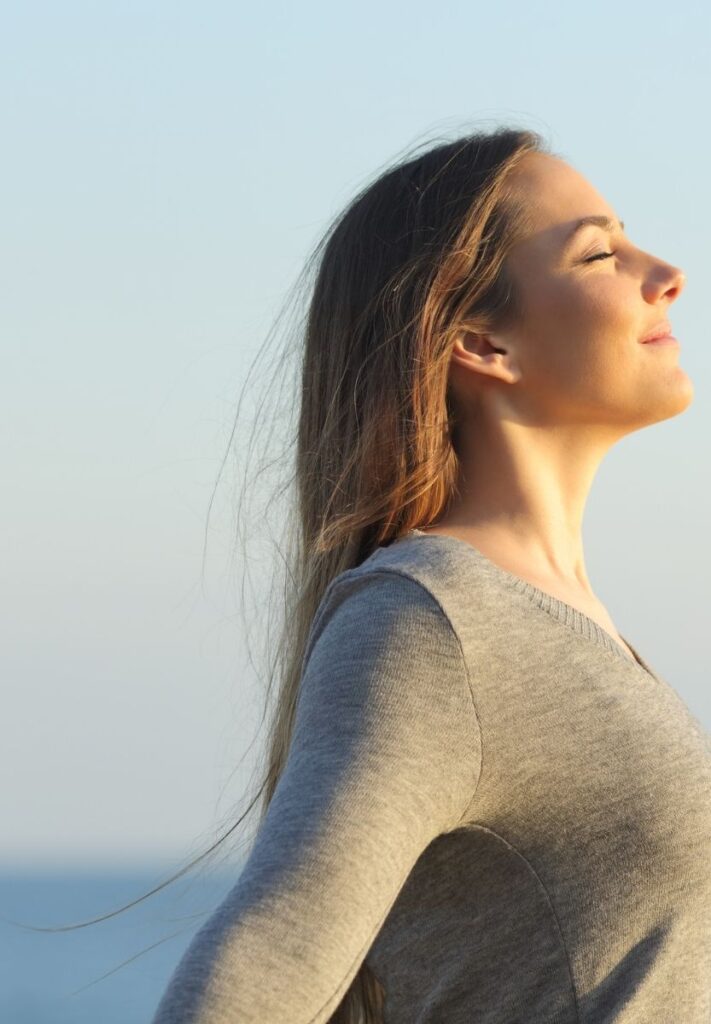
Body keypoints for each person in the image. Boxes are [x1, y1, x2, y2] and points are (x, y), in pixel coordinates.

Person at [150, 127, 711, 1023]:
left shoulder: (553, 625)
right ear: (480, 341)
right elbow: (251, 981)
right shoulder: (429, 625)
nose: (665, 271)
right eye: (601, 251)